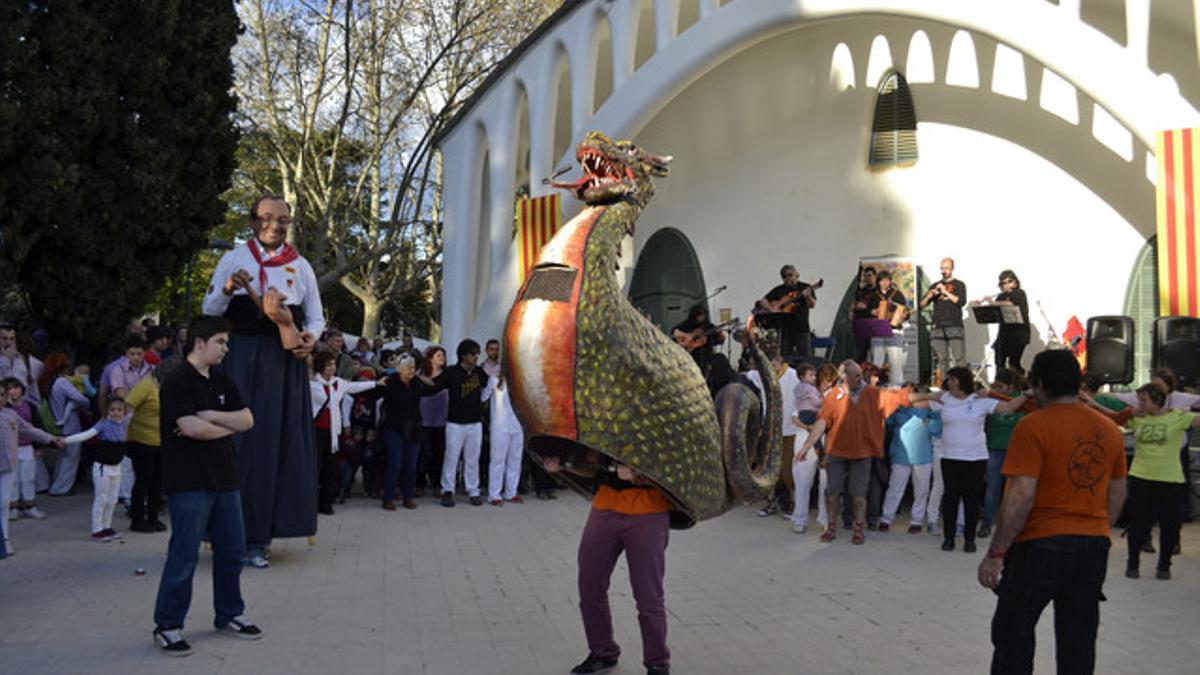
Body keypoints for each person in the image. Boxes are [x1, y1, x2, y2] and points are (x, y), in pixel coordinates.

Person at [978, 349, 1126, 675]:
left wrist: (996, 552)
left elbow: (1020, 495)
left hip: (1039, 545)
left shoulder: (1032, 427)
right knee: (1078, 642)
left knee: (1012, 635)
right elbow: (1117, 492)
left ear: (1040, 384)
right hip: (1092, 545)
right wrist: (1097, 528)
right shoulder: (1108, 429)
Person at [202, 194, 323, 569]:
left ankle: (259, 539)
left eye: (283, 219)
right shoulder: (233, 259)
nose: (275, 224)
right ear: (253, 221)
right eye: (267, 217)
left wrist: (308, 341)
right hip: (238, 358)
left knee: (273, 446)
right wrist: (226, 291)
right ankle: (224, 533)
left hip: (281, 364)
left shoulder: (300, 266)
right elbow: (209, 312)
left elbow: (317, 318)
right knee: (234, 443)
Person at [152, 315, 262, 656]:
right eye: (221, 342)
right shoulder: (176, 382)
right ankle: (168, 625)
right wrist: (223, 424)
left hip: (226, 480)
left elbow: (247, 419)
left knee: (231, 553)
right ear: (200, 343)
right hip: (189, 482)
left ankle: (229, 614)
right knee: (183, 557)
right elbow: (191, 428)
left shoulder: (223, 382)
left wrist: (211, 417)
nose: (226, 349)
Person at [546, 452, 672, 675]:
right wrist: (563, 465)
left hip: (648, 511)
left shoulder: (665, 419)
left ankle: (657, 663)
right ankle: (602, 652)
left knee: (648, 596)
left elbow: (676, 471)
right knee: (590, 586)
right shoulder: (607, 419)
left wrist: (640, 476)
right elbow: (593, 466)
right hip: (605, 506)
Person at [795, 360, 938, 544]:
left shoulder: (872, 393)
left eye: (860, 375)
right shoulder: (833, 396)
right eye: (856, 376)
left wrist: (931, 396)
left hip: (862, 454)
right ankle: (831, 526)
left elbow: (903, 398)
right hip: (837, 453)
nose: (860, 378)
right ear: (844, 378)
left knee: (859, 496)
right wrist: (807, 446)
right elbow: (822, 422)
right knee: (832, 493)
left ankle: (858, 528)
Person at [1087, 383, 1199, 579]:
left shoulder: (1178, 417)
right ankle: (1133, 563)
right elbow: (1113, 416)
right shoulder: (1137, 418)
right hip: (1141, 476)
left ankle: (1164, 565)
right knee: (1137, 522)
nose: (1140, 403)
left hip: (1169, 478)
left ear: (1156, 400)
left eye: (1144, 400)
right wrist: (1089, 401)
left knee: (1169, 524)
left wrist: (1185, 410)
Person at [932, 367, 1031, 553]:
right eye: (949, 380)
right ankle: (949, 537)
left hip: (974, 458)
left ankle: (970, 539)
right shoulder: (944, 398)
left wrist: (1026, 394)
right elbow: (919, 400)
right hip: (949, 456)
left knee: (971, 498)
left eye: (954, 379)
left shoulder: (980, 400)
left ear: (963, 381)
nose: (950, 383)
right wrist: (898, 396)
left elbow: (1008, 407)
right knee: (951, 498)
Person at [421, 340, 494, 507]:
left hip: (475, 423)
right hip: (455, 423)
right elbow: (434, 385)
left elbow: (491, 384)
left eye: (477, 353)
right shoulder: (451, 372)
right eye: (472, 353)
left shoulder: (479, 372)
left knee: (472, 458)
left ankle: (473, 491)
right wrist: (417, 377)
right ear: (463, 355)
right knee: (451, 457)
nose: (476, 356)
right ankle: (448, 490)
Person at [310, 350, 382, 515]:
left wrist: (375, 383)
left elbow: (354, 387)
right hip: (316, 431)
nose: (332, 368)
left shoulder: (338, 383)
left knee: (331, 469)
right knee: (315, 468)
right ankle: (311, 502)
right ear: (320, 366)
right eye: (328, 365)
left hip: (334, 433)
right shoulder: (312, 384)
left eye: (334, 364)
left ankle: (326, 502)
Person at [0, 378, 64, 554]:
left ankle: (4, 539)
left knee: (4, 502)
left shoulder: (11, 415)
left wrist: (51, 438)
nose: (1, 398)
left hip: (8, 465)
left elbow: (29, 429)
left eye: (3, 395)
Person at [979, 369, 1035, 539]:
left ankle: (1012, 524)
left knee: (1014, 491)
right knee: (992, 489)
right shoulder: (991, 398)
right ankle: (987, 523)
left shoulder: (1024, 399)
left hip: (1016, 451)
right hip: (994, 449)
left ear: (1011, 387)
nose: (998, 389)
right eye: (996, 386)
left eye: (1001, 386)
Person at [747, 353, 800, 517]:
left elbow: (799, 399)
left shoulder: (793, 376)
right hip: (770, 430)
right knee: (769, 469)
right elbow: (749, 374)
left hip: (788, 430)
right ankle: (770, 503)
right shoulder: (762, 375)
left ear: (779, 361)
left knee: (787, 470)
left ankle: (792, 504)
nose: (769, 367)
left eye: (772, 363)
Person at [73, 396, 132, 542]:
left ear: (124, 412)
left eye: (119, 410)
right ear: (107, 411)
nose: (116, 413)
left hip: (116, 467)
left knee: (112, 499)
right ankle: (97, 529)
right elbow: (86, 435)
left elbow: (135, 410)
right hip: (102, 467)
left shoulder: (124, 424)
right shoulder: (103, 425)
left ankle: (107, 526)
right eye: (112, 410)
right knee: (101, 499)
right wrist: (66, 440)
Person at [879, 394, 941, 533]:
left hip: (920, 455)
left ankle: (914, 520)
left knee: (919, 490)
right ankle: (888, 518)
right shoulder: (898, 410)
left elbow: (938, 428)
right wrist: (925, 422)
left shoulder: (929, 410)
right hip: (905, 454)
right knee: (899, 488)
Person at [125, 359, 173, 533]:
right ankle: (137, 519)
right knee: (143, 481)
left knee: (158, 482)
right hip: (141, 441)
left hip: (161, 441)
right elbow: (128, 405)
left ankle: (153, 517)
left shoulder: (167, 388)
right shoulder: (145, 386)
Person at [41, 353, 90, 496]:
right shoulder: (62, 382)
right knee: (70, 458)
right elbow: (79, 398)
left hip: (58, 424)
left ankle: (57, 484)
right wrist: (85, 403)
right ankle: (61, 487)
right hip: (70, 425)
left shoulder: (49, 381)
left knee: (63, 457)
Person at [378, 354, 423, 510]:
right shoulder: (391, 382)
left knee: (411, 465)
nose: (412, 370)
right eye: (408, 367)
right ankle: (388, 498)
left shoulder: (417, 382)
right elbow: (377, 393)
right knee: (395, 463)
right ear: (399, 369)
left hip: (413, 429)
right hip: (394, 428)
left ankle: (408, 497)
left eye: (413, 367)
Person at [789, 363, 826, 533]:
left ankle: (824, 518)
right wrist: (809, 427)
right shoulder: (807, 393)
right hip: (805, 438)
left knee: (825, 481)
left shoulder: (817, 393)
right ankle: (800, 517)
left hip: (822, 437)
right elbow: (794, 417)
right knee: (803, 478)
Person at [755, 265, 818, 362]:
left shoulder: (805, 287)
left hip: (802, 328)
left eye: (790, 275)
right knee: (785, 358)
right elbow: (763, 300)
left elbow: (812, 305)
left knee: (805, 358)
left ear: (796, 275)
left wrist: (808, 296)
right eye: (784, 276)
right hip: (785, 330)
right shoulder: (779, 289)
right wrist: (771, 309)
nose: (787, 278)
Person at [5, 379, 48, 520]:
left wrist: (39, 446)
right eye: (9, 389)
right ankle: (13, 507)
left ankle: (30, 506)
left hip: (27, 447)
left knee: (28, 478)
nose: (13, 391)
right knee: (14, 480)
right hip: (11, 448)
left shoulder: (29, 406)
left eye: (16, 388)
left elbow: (36, 426)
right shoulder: (5, 409)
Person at [920, 257, 967, 380]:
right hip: (938, 327)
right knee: (942, 360)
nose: (943, 271)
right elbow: (922, 304)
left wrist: (945, 292)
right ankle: (946, 386)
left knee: (959, 358)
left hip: (954, 326)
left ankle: (962, 385)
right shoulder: (935, 285)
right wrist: (929, 295)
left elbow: (960, 301)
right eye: (942, 268)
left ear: (952, 269)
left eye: (946, 268)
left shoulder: (959, 284)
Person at [487, 369, 524, 506]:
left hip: (518, 424)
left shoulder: (521, 378)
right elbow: (483, 397)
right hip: (499, 425)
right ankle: (494, 494)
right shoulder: (494, 378)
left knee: (515, 459)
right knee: (497, 459)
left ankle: (511, 492)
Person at [418, 346, 449, 497]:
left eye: (443, 355)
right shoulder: (420, 374)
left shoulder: (447, 376)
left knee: (439, 453)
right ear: (430, 358)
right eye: (438, 355)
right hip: (424, 420)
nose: (442, 357)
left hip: (441, 421)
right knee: (424, 453)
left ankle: (437, 483)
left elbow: (436, 385)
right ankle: (420, 483)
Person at [985, 270, 1030, 373]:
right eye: (1004, 283)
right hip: (1004, 333)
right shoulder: (1001, 296)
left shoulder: (1020, 293)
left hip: (1019, 334)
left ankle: (1020, 385)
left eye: (1010, 281)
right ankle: (1000, 384)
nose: (1007, 285)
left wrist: (992, 302)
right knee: (999, 361)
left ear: (1015, 282)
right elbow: (993, 309)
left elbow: (1010, 304)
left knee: (1014, 363)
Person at [869, 270, 909, 378]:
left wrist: (902, 316)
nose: (885, 283)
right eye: (883, 281)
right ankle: (875, 385)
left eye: (887, 280)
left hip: (894, 330)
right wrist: (873, 312)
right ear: (878, 282)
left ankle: (896, 385)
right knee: (877, 360)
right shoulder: (873, 296)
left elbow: (905, 311)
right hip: (878, 330)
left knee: (895, 360)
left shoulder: (897, 294)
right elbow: (867, 312)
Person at [0, 323, 44, 406]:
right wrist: (5, 360)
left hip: (21, 411)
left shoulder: (25, 360)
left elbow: (33, 389)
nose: (8, 342)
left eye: (12, 339)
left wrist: (33, 409)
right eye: (4, 339)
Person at [849, 265, 880, 362]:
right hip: (861, 324)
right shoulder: (861, 291)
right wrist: (853, 309)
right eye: (865, 276)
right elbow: (854, 306)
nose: (868, 278)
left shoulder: (879, 292)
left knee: (875, 355)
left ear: (875, 276)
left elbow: (878, 310)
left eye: (870, 275)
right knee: (861, 354)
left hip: (874, 325)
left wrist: (868, 309)